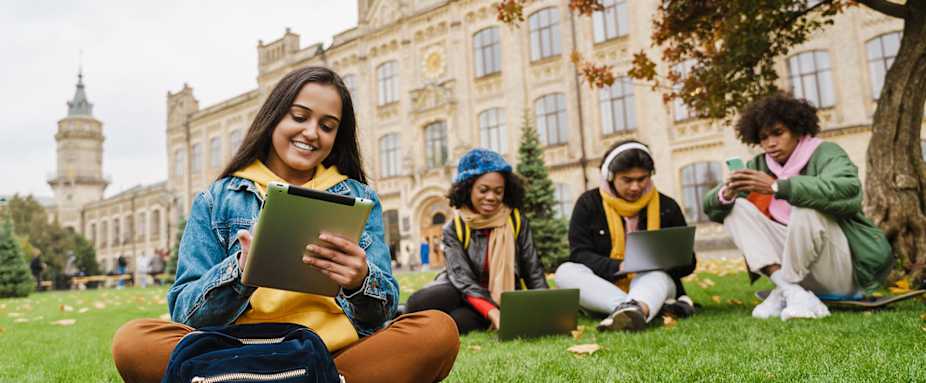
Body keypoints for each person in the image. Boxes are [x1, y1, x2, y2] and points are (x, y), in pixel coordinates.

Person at [111, 66, 459, 383]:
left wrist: (359, 280)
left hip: (332, 351)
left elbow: (378, 317)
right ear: (274, 116)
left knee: (437, 330)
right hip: (235, 348)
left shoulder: (358, 197)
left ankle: (251, 379)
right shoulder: (217, 199)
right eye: (300, 117)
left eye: (327, 126)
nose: (311, 133)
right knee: (133, 342)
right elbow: (185, 313)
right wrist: (238, 272)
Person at [703, 93, 892, 320]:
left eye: (778, 133)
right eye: (763, 138)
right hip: (796, 271)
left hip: (838, 271)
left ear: (797, 130)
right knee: (736, 209)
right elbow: (711, 208)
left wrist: (778, 186)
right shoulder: (760, 164)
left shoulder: (826, 152)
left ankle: (786, 290)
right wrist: (728, 192)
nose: (770, 143)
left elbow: (849, 191)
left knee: (806, 204)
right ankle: (791, 291)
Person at [555, 140, 696, 332]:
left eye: (642, 179)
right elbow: (580, 255)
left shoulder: (667, 206)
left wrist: (663, 261)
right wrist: (620, 267)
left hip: (655, 282)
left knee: (655, 275)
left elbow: (689, 263)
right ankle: (637, 308)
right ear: (610, 177)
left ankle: (630, 310)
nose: (635, 187)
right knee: (565, 272)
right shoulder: (588, 204)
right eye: (627, 180)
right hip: (604, 285)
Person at [405, 148, 548, 334]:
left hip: (500, 296)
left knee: (457, 321)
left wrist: (547, 308)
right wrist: (493, 312)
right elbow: (463, 280)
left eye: (498, 191)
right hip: (463, 291)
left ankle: (482, 317)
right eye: (483, 190)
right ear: (468, 188)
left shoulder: (516, 221)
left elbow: (532, 269)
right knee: (418, 303)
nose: (491, 197)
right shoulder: (454, 228)